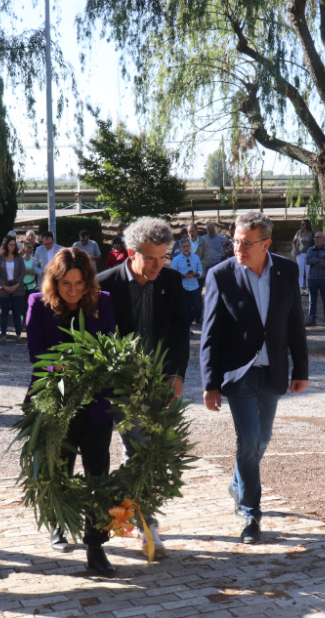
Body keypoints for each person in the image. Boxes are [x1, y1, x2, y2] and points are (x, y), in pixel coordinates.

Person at [201, 212, 308, 545]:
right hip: (239, 373)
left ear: (266, 244)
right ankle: (251, 515)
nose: (238, 248)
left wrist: (301, 369)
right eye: (235, 241)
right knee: (247, 441)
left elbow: (294, 324)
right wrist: (210, 382)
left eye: (246, 243)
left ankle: (237, 482)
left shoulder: (287, 271)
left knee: (262, 440)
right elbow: (210, 333)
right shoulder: (221, 275)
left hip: (274, 371)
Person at [98, 218, 189, 552]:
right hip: (120, 386)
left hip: (160, 384)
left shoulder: (171, 281)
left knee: (138, 452)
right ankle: (146, 523)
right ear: (131, 253)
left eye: (163, 257)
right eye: (151, 258)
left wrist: (177, 375)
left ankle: (125, 515)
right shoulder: (105, 285)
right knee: (140, 450)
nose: (158, 265)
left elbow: (180, 331)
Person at [26, 248, 118, 575]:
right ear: (55, 281)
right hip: (58, 402)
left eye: (80, 282)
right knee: (60, 472)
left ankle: (96, 547)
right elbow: (37, 355)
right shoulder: (38, 304)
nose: (74, 290)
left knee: (97, 476)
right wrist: (66, 370)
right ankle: (59, 522)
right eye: (66, 283)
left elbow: (111, 345)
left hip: (96, 405)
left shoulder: (102, 301)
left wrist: (103, 370)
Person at [0, 236, 26, 340]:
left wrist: (17, 285)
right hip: (3, 288)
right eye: (10, 245)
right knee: (4, 313)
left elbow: (22, 272)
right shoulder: (0, 257)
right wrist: (4, 285)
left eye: (14, 245)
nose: (12, 247)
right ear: (6, 245)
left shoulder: (18, 257)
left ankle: (18, 335)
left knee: (17, 312)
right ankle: (3, 335)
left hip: (17, 288)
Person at [170, 237, 203, 330]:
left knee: (197, 308)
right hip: (183, 287)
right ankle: (186, 328)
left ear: (190, 247)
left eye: (188, 246)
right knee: (186, 309)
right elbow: (173, 274)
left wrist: (195, 274)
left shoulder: (196, 258)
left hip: (194, 286)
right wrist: (183, 276)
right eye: (184, 247)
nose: (186, 248)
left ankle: (186, 325)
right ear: (180, 247)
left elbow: (200, 271)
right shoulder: (176, 259)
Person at [304, 231, 325, 327]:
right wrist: (320, 260)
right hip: (312, 278)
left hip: (324, 278)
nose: (316, 239)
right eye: (315, 237)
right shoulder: (310, 250)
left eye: (319, 237)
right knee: (312, 300)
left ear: (323, 239)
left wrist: (315, 262)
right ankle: (312, 319)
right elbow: (308, 261)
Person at [292, 219, 314, 294]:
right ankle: (300, 287)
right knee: (300, 271)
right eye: (301, 224)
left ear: (307, 225)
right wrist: (295, 250)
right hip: (300, 254)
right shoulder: (298, 233)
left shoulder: (311, 234)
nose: (301, 225)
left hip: (308, 255)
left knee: (308, 271)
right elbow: (294, 242)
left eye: (303, 224)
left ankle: (308, 288)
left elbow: (314, 244)